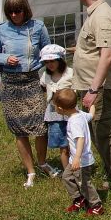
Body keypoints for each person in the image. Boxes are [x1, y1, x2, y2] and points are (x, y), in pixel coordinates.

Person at [0, 0, 54, 187]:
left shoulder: (38, 27)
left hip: (32, 81)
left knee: (41, 127)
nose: (14, 15)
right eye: (10, 12)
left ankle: (42, 162)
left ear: (25, 10)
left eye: (17, 11)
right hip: (11, 84)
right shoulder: (2, 29)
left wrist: (51, 76)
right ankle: (31, 171)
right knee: (20, 130)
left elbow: (48, 51)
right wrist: (4, 59)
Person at [73, 0, 111, 189]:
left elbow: (106, 55)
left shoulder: (102, 16)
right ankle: (110, 172)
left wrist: (94, 89)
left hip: (98, 87)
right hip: (91, 85)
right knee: (97, 132)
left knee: (105, 132)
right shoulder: (96, 14)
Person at [52, 88, 104, 216]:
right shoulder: (80, 114)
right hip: (76, 160)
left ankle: (96, 205)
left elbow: (80, 139)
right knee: (67, 177)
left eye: (55, 107)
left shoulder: (74, 122)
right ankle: (78, 199)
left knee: (84, 184)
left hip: (81, 161)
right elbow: (91, 115)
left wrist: (76, 158)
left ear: (60, 109)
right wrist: (91, 105)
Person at [39, 44, 73, 173]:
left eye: (52, 61)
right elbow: (42, 85)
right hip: (54, 112)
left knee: (73, 140)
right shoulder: (45, 75)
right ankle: (67, 172)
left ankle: (78, 167)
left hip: (70, 110)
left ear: (60, 60)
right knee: (62, 144)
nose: (50, 64)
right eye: (46, 62)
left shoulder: (70, 73)